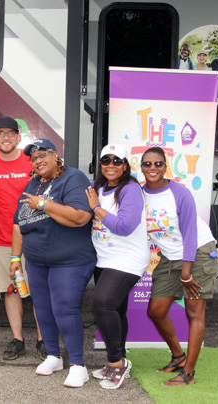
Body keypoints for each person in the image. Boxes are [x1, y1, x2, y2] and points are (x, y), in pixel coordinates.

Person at [10, 138, 96, 388]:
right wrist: (16, 257)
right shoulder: (33, 183)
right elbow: (18, 223)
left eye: (43, 155)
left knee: (64, 308)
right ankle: (53, 356)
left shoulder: (73, 178)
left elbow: (81, 217)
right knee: (43, 309)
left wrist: (45, 205)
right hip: (37, 260)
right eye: (34, 158)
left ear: (55, 156)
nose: (38, 160)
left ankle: (79, 365)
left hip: (69, 260)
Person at [140, 147, 218, 386]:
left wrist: (186, 272)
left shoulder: (179, 193)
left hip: (198, 253)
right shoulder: (138, 194)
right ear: (141, 167)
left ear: (166, 166)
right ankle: (178, 356)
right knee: (155, 310)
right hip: (169, 256)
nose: (153, 168)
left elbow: (191, 234)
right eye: (147, 164)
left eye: (158, 164)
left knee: (194, 313)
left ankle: (188, 374)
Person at [84, 144, 149, 390]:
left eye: (116, 160)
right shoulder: (97, 187)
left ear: (125, 165)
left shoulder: (130, 189)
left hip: (127, 258)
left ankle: (116, 363)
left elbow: (124, 226)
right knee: (117, 309)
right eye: (105, 160)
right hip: (104, 258)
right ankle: (118, 359)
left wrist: (96, 208)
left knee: (102, 304)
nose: (110, 164)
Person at [0, 116, 45, 361]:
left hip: (36, 237)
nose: (5, 137)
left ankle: (43, 340)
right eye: (0, 133)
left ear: (19, 137)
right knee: (11, 291)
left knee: (39, 290)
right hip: (1, 239)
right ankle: (18, 339)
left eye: (11, 133)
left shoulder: (32, 161)